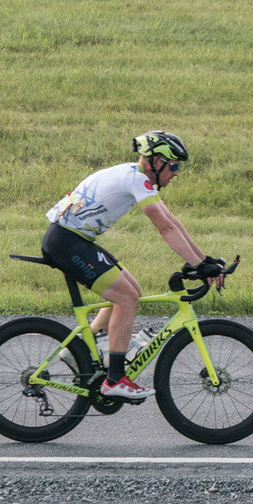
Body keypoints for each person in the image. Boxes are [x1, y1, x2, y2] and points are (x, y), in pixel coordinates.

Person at [42, 130, 212, 402]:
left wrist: (203, 261)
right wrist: (199, 265)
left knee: (131, 288)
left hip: (72, 239)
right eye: (175, 165)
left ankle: (79, 351)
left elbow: (173, 222)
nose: (177, 172)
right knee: (126, 298)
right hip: (67, 242)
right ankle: (115, 380)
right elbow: (165, 229)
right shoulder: (137, 180)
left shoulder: (134, 177)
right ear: (157, 162)